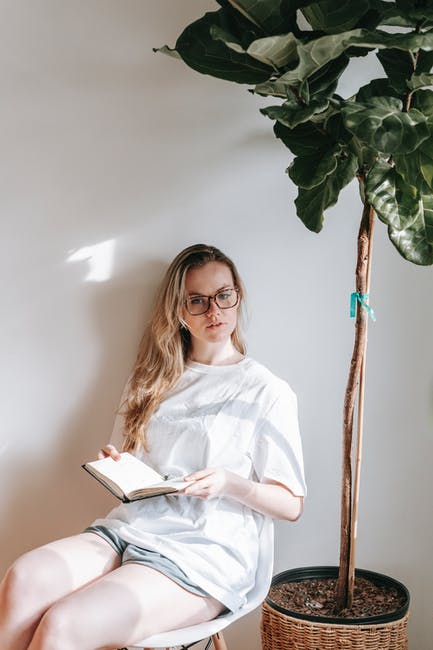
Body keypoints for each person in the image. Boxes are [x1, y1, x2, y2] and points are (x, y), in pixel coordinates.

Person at [0, 244, 306, 650]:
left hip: (203, 554)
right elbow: (133, 465)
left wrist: (228, 483)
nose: (214, 311)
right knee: (23, 579)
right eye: (197, 301)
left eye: (223, 295)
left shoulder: (266, 391)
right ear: (179, 311)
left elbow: (291, 504)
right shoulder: (152, 378)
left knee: (64, 624)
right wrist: (118, 465)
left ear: (238, 295)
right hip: (130, 530)